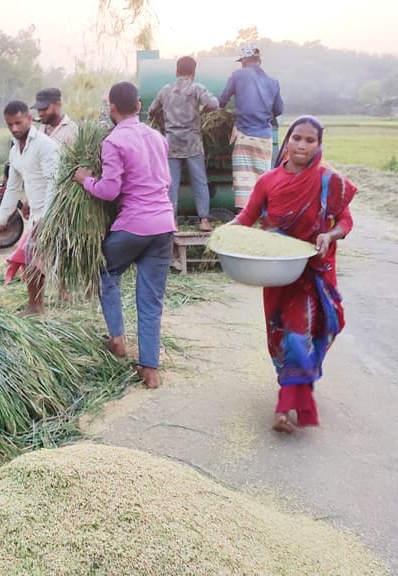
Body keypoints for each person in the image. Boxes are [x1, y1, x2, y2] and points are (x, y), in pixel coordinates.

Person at [230, 116, 357, 433]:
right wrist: (224, 235)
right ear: (287, 141)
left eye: (309, 140)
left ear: (319, 144)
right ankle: (293, 394)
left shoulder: (329, 181)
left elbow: (345, 220)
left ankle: (285, 409)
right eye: (296, 138)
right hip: (277, 273)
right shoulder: (269, 181)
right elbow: (247, 217)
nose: (301, 145)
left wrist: (330, 236)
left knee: (300, 336)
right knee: (281, 336)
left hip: (313, 272)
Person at [73, 81, 176, 390]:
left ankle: (117, 339)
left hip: (134, 225)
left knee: (105, 271)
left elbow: (110, 189)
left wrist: (85, 179)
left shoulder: (113, 140)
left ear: (112, 108)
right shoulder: (158, 138)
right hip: (164, 226)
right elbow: (166, 180)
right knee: (151, 300)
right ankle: (150, 369)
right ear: (140, 106)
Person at [0, 100, 60, 315]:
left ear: (30, 119)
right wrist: (0, 221)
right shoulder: (15, 151)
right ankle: (36, 306)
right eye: (9, 124)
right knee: (31, 257)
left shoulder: (45, 146)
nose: (14, 128)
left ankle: (35, 307)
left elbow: (54, 183)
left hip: (51, 212)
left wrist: (45, 220)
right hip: (36, 215)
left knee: (31, 255)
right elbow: (13, 187)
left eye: (18, 123)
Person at [148, 56, 219, 231]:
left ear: (176, 72)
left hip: (171, 142)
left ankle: (172, 221)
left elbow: (151, 110)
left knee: (171, 183)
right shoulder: (196, 88)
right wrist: (203, 110)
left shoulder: (166, 90)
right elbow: (215, 104)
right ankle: (203, 220)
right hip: (193, 142)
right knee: (199, 181)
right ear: (193, 72)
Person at [218, 43, 283, 211]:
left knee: (243, 180)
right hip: (264, 138)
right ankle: (261, 216)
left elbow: (222, 100)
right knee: (261, 179)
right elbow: (278, 109)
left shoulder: (238, 75)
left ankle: (243, 216)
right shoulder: (273, 82)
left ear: (245, 60)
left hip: (245, 135)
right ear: (259, 60)